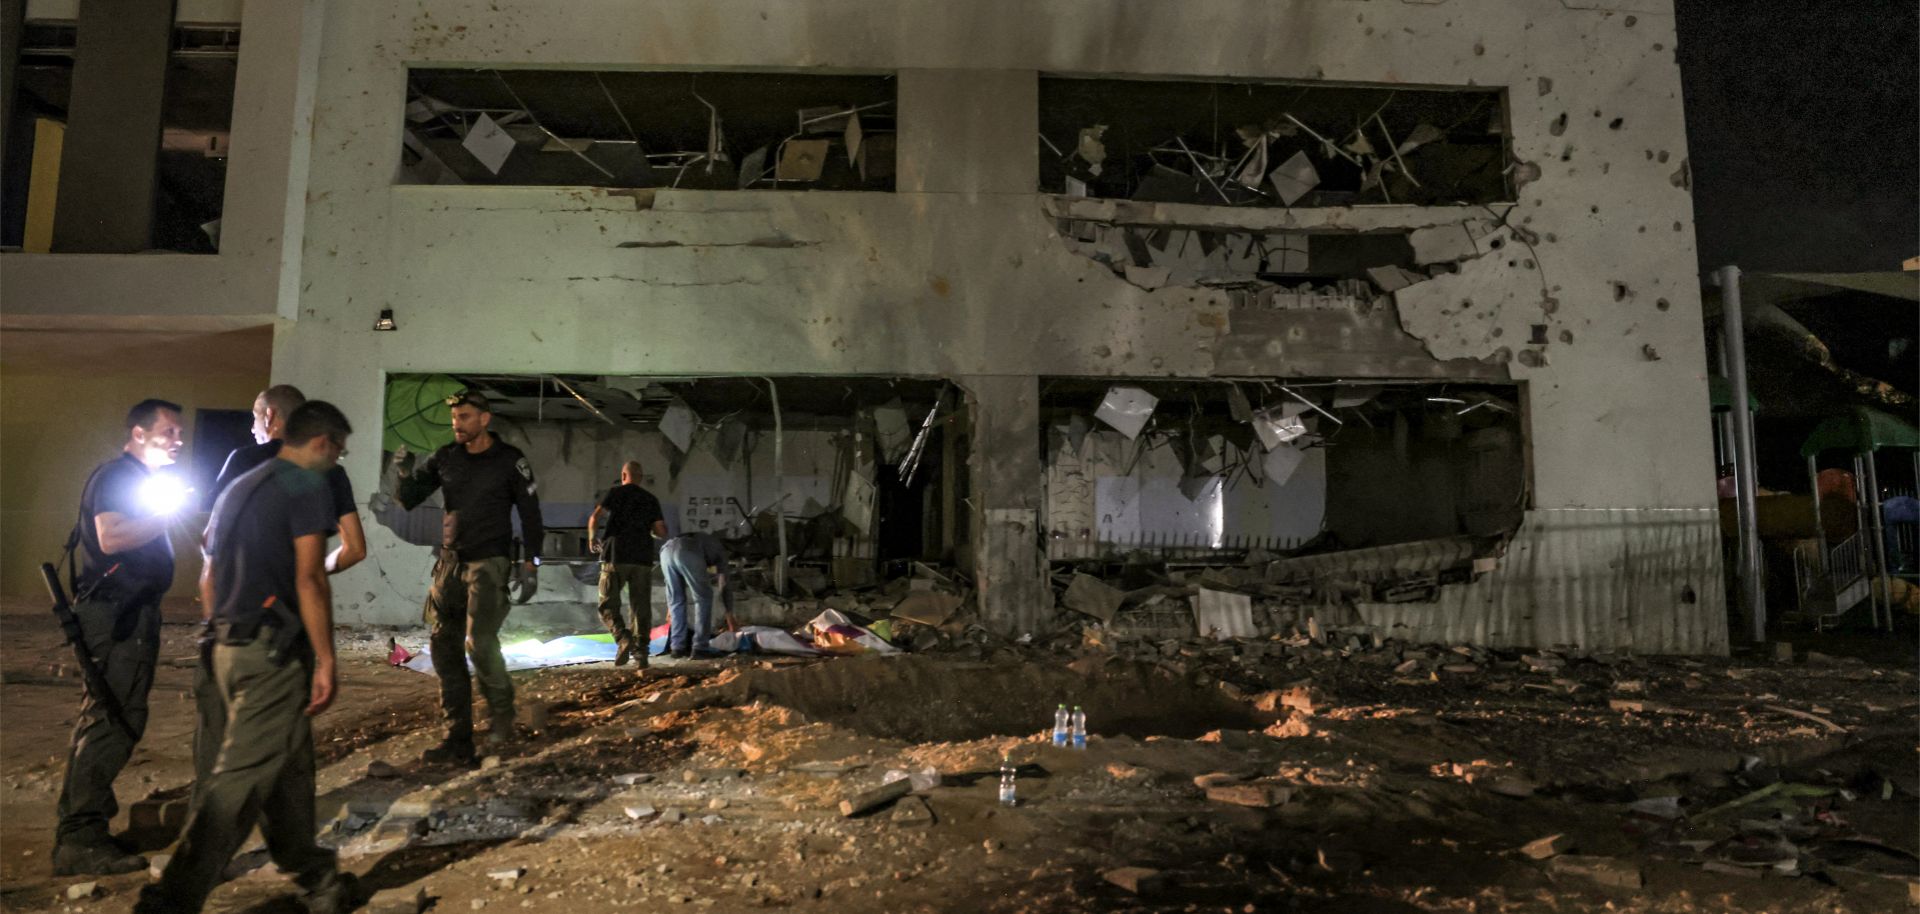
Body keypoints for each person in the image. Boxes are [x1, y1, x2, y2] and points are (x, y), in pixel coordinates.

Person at [137, 401, 357, 914]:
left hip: (226, 647)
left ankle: (316, 875)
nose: (337, 460)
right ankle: (170, 900)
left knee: (289, 769)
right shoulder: (304, 485)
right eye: (339, 449)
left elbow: (208, 568)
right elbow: (310, 577)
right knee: (237, 783)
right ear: (322, 442)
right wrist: (326, 659)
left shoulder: (241, 484)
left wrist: (218, 638)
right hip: (269, 655)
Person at [189, 384, 366, 828]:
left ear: (270, 419)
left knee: (217, 739)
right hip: (285, 629)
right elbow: (349, 552)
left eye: (254, 416)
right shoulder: (322, 477)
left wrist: (212, 624)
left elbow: (210, 551)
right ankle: (280, 847)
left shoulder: (241, 467)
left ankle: (212, 835)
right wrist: (326, 656)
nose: (252, 426)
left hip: (230, 622)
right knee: (288, 742)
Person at [52, 399, 186, 876]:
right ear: (137, 433)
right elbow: (110, 537)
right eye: (168, 432)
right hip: (116, 616)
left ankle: (85, 827)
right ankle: (80, 838)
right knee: (113, 717)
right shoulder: (118, 475)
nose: (177, 440)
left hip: (126, 614)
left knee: (111, 714)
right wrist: (167, 518)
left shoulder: (136, 480)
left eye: (178, 433)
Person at [394, 391, 543, 765]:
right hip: (449, 565)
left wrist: (531, 563)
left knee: (478, 643)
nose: (456, 424)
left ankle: (501, 720)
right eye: (454, 417)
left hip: (489, 564)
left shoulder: (509, 461)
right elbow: (408, 498)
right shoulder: (446, 457)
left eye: (464, 416)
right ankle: (457, 738)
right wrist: (403, 472)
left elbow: (530, 514)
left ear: (485, 419)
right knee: (444, 649)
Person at [586, 460, 667, 667]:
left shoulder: (614, 493)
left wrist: (592, 538)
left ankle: (623, 637)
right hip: (642, 559)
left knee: (607, 603)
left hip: (616, 555)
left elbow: (595, 518)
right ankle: (641, 655)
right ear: (640, 477)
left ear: (623, 476)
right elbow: (661, 531)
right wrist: (645, 530)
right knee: (640, 607)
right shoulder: (651, 499)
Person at [660, 531, 730, 659]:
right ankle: (700, 648)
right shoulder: (721, 550)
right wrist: (730, 616)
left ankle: (677, 647)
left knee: (676, 600)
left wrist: (670, 607)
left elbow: (670, 587)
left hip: (666, 551)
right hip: (687, 550)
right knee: (703, 597)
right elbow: (725, 585)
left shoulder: (705, 539)